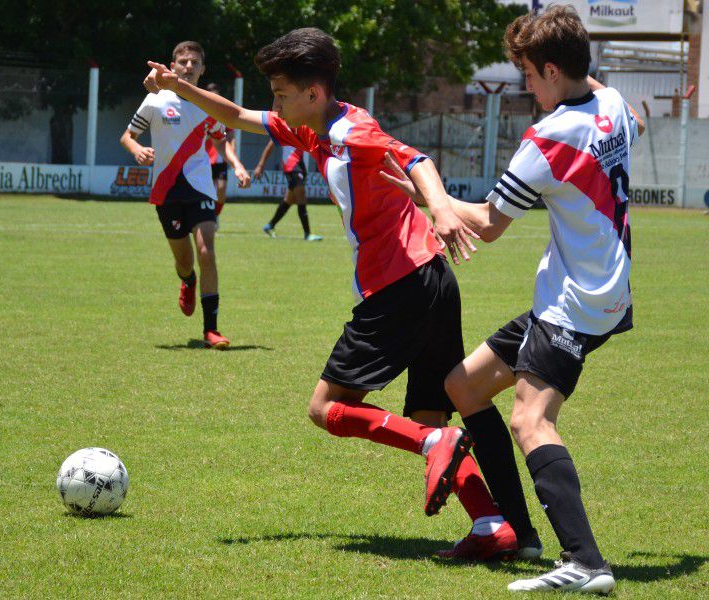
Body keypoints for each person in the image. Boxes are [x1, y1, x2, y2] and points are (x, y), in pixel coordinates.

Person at [145, 28, 542, 558]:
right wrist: (179, 87)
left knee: (326, 407)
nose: (275, 103)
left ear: (313, 93)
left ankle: (436, 447)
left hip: (400, 286)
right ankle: (493, 525)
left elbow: (416, 158)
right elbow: (237, 116)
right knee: (427, 413)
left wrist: (442, 207)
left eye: (282, 93)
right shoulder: (315, 128)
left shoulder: (352, 130)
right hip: (430, 279)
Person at [383, 5, 644, 593]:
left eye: (527, 72)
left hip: (575, 303)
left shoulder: (547, 137)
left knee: (531, 420)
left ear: (552, 70)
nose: (525, 85)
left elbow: (491, 226)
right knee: (463, 387)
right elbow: (623, 109)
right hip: (604, 289)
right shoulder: (614, 105)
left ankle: (585, 562)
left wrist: (433, 198)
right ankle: (517, 532)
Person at [121, 41, 249, 349]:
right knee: (184, 261)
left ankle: (212, 330)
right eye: (183, 61)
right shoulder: (155, 100)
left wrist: (238, 165)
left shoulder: (211, 104)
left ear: (203, 69)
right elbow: (128, 135)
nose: (188, 66)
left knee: (207, 251)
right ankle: (187, 280)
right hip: (166, 191)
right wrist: (137, 149)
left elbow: (221, 141)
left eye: (194, 62)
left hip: (201, 188)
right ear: (173, 66)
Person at [254, 140, 322, 241]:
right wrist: (260, 165)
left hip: (299, 164)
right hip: (292, 166)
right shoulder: (283, 127)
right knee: (301, 196)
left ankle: (270, 225)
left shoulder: (301, 126)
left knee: (289, 199)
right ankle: (307, 234)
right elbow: (270, 145)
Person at [203, 82, 251, 217]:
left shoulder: (223, 115)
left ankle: (214, 218)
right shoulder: (200, 114)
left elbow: (230, 134)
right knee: (204, 191)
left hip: (220, 157)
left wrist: (233, 148)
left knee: (221, 189)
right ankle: (204, 218)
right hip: (203, 159)